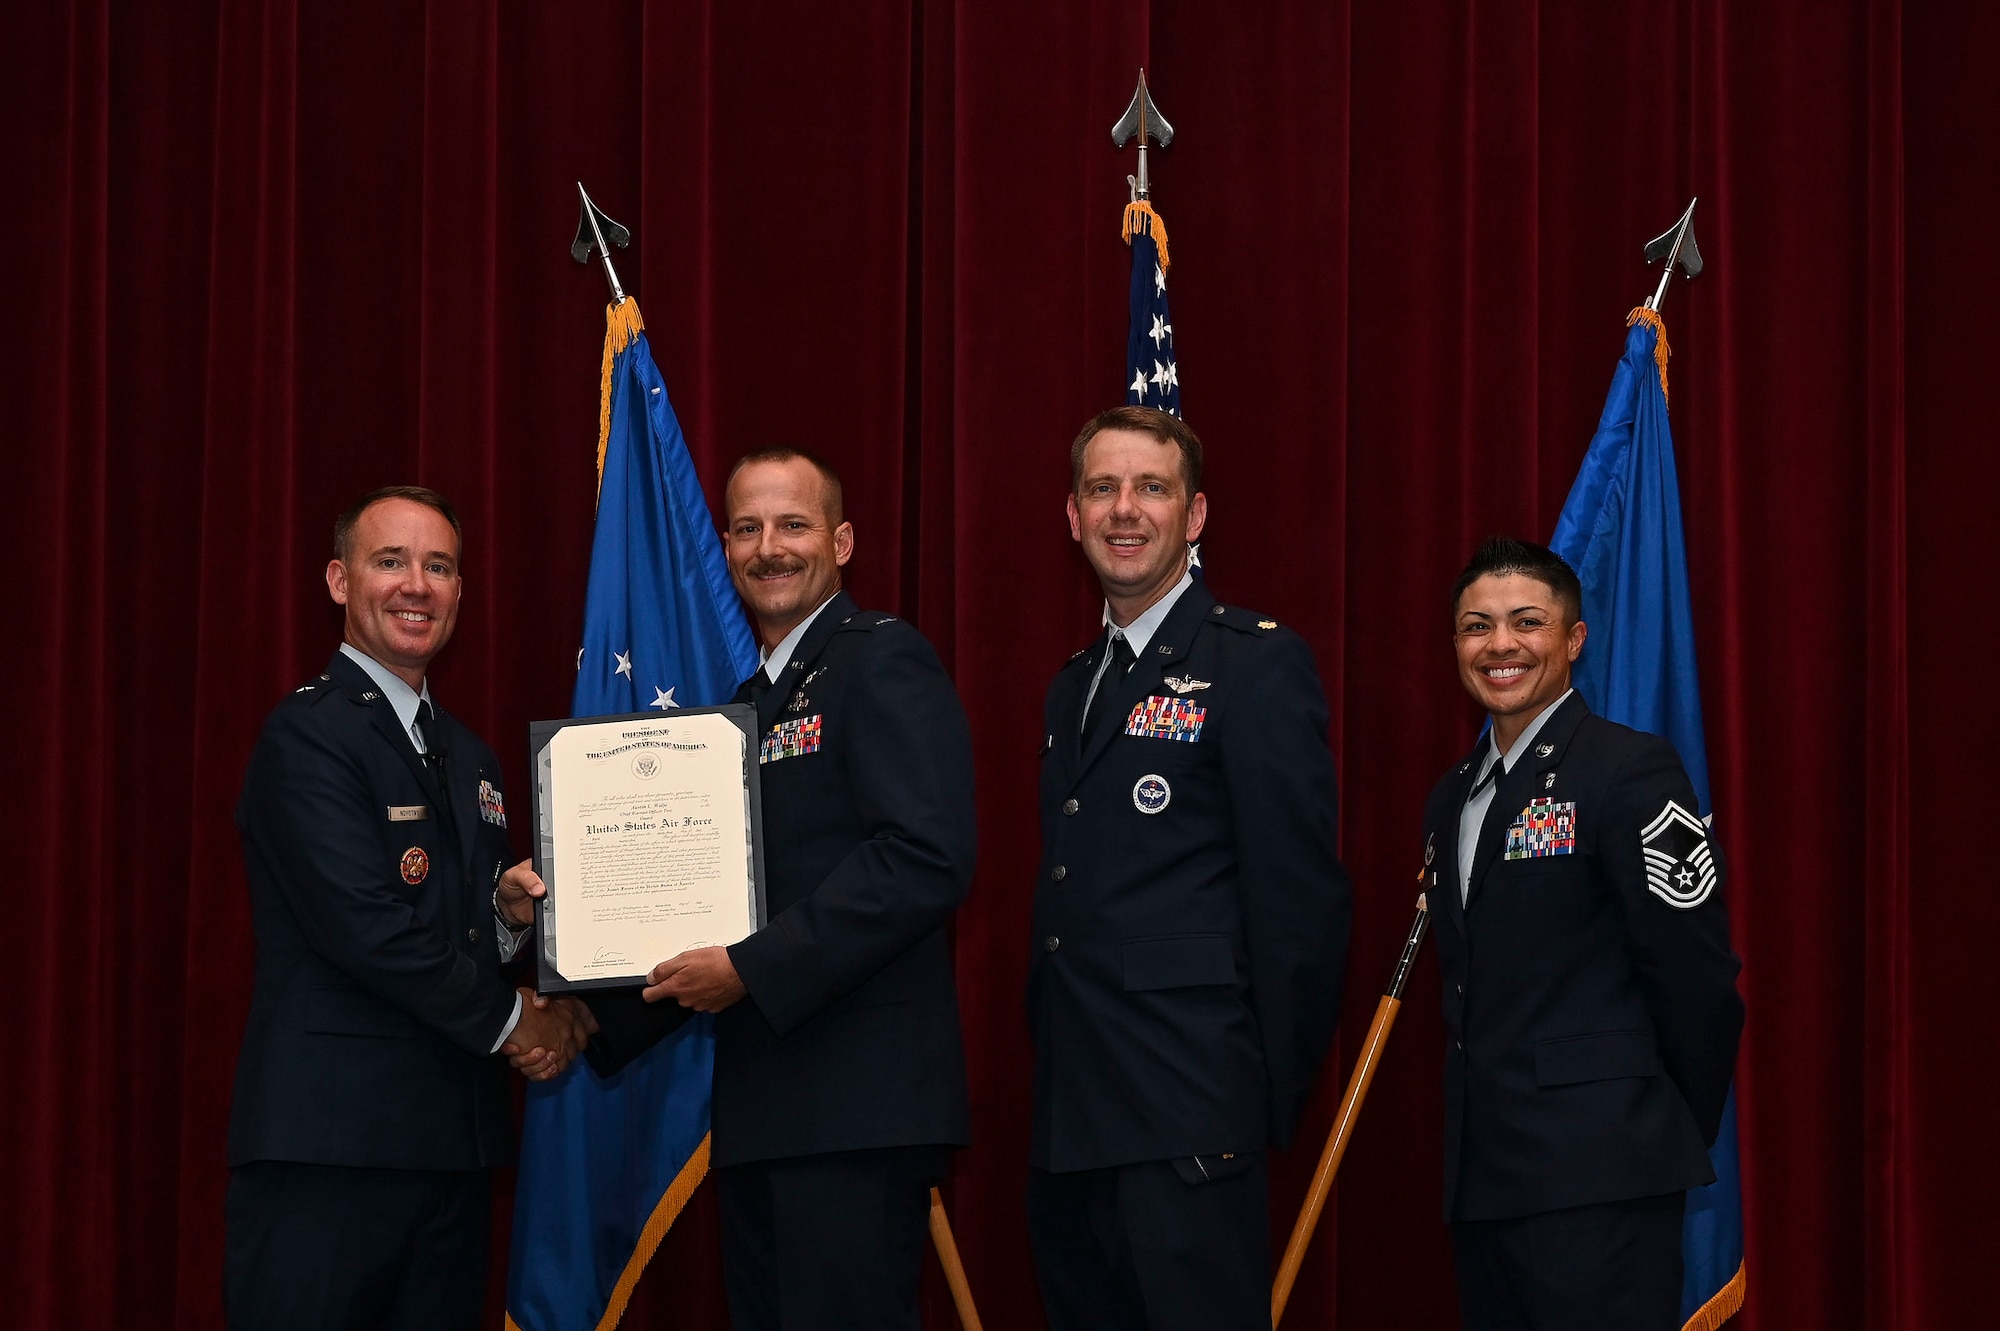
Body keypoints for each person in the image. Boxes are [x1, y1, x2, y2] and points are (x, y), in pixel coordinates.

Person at [582, 449, 976, 1331]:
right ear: (724, 546)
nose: (770, 547)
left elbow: (926, 855)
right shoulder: (747, 703)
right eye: (749, 528)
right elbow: (715, 904)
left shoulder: (881, 659)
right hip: (767, 1113)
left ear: (840, 539)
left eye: (793, 524)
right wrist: (584, 1011)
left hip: (855, 1115)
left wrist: (751, 969)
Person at [226, 486, 589, 1331]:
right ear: (339, 580)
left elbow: (450, 929)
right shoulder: (307, 736)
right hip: (330, 1152)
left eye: (439, 565)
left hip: (450, 1151)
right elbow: (366, 928)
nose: (416, 585)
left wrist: (506, 917)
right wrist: (520, 1022)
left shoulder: (471, 755)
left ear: (461, 590)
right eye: (390, 561)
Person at [1026, 405, 1351, 1331]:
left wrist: (1247, 1103)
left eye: (1152, 488)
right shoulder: (1073, 682)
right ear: (1073, 515)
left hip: (1188, 1119)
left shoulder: (1254, 664)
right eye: (1102, 488)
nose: (1125, 510)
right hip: (1072, 1117)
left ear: (1195, 515)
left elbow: (1301, 910)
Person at [1423, 537, 1743, 1331]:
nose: (1500, 645)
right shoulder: (1451, 796)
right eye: (1476, 625)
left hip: (1601, 1178)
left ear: (1573, 639)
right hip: (1486, 1182)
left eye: (1526, 622)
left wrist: (1643, 1123)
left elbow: (1697, 979)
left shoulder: (1629, 769)